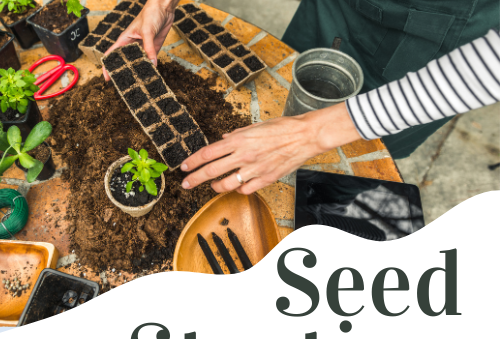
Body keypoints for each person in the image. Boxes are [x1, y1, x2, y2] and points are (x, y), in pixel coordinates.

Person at [104, 0, 500, 195]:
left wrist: (310, 134)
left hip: (432, 40)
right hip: (337, 8)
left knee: (359, 163)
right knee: (286, 95)